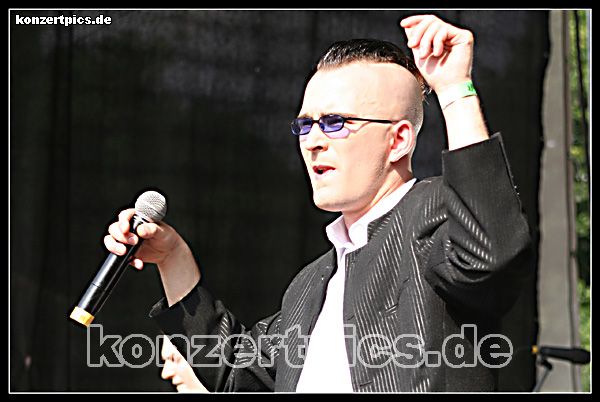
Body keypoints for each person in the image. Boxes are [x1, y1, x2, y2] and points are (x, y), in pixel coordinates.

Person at [104, 14, 532, 392]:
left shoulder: (434, 215)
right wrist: (173, 257)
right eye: (305, 124)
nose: (312, 141)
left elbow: (489, 250)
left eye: (335, 122)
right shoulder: (312, 284)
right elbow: (236, 372)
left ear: (398, 140)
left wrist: (455, 90)